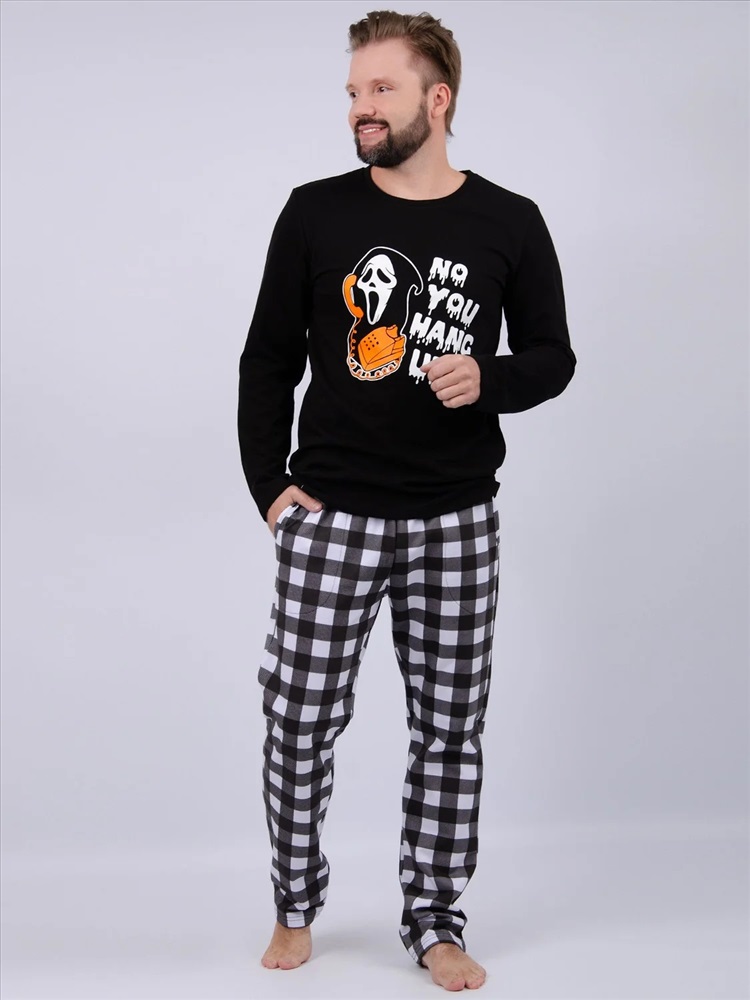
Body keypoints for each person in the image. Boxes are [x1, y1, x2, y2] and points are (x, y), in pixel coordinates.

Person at [237, 10, 576, 992]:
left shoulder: (510, 220)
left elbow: (552, 356)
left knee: (449, 729)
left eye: (380, 89)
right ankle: (294, 907)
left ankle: (434, 922)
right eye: (353, 91)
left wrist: (493, 379)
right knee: (299, 719)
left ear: (439, 98)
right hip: (331, 515)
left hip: (458, 519)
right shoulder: (315, 212)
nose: (361, 108)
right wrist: (270, 489)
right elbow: (267, 359)